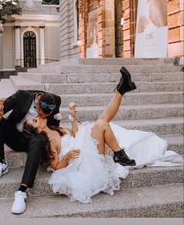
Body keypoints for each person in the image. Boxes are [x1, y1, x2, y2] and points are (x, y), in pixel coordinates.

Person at [25, 67, 183, 203]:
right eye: (35, 121)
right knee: (101, 123)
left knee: (102, 122)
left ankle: (122, 90)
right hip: (84, 160)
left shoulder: (55, 128)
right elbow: (56, 166)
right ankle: (121, 92)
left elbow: (74, 133)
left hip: (84, 142)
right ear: (38, 130)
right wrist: (66, 157)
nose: (37, 117)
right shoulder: (48, 143)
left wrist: (72, 117)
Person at [0, 90, 61, 214]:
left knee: (38, 141)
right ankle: (1, 162)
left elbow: (54, 124)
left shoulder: (56, 100)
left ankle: (22, 191)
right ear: (36, 104)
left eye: (45, 115)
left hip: (34, 140)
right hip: (15, 136)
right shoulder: (22, 96)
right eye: (40, 113)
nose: (42, 117)